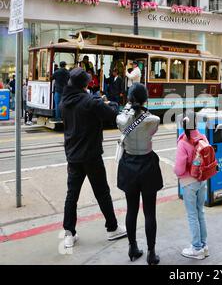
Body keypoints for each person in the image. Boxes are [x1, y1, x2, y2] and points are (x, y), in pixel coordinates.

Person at [59, 67, 127, 248]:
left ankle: (69, 233)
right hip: (91, 156)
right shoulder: (90, 101)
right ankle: (112, 228)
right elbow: (113, 115)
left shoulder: (64, 102)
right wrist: (101, 102)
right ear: (85, 84)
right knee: (102, 192)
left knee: (71, 195)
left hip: (73, 156)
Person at [116, 83, 163, 265]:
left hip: (129, 165)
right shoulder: (152, 120)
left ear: (128, 99)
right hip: (147, 164)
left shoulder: (121, 120)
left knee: (131, 209)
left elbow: (122, 117)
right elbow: (153, 120)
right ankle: (151, 253)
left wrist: (129, 107)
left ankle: (132, 247)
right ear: (145, 99)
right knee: (150, 212)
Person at [174, 111, 209, 260]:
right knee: (200, 212)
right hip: (202, 180)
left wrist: (174, 170)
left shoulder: (183, 142)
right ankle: (204, 245)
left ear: (183, 125)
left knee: (192, 215)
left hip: (189, 183)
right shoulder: (203, 137)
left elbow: (179, 169)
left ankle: (196, 248)